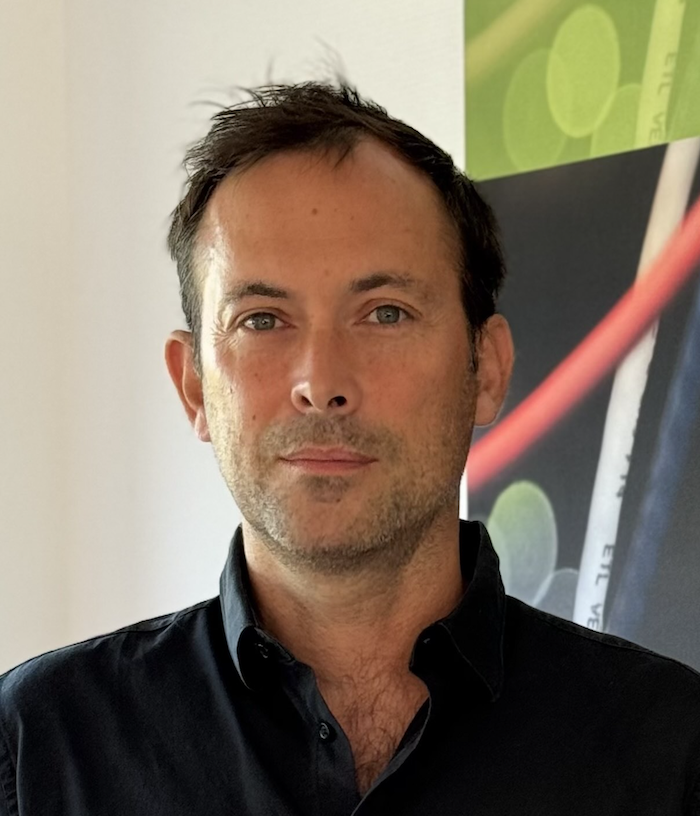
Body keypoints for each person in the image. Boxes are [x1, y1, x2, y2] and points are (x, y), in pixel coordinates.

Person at [1, 82, 699, 816]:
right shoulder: (40, 749)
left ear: (487, 370)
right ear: (194, 386)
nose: (322, 384)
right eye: (262, 319)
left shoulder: (668, 750)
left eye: (385, 313)